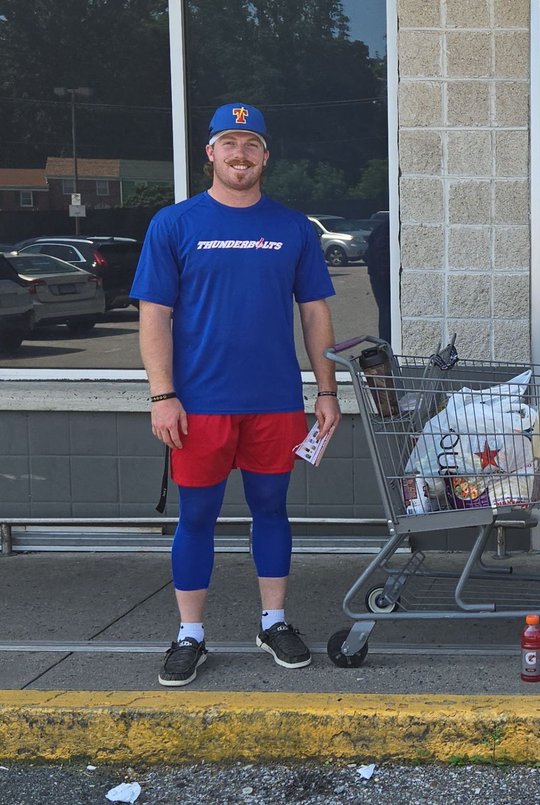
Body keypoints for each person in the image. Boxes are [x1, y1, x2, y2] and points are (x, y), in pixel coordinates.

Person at [131, 102, 341, 687]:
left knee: (272, 511)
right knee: (196, 516)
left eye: (251, 144)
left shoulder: (292, 227)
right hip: (198, 406)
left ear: (265, 155)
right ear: (211, 153)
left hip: (274, 401)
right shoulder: (175, 224)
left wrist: (326, 390)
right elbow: (154, 316)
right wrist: (161, 395)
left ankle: (273, 620)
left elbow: (315, 312)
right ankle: (190, 634)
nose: (240, 154)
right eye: (229, 142)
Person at [365, 216, 397, 341]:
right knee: (387, 313)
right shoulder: (389, 226)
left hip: (379, 274)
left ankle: (386, 345)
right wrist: (388, 278)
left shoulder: (386, 226)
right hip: (382, 277)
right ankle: (386, 347)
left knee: (386, 313)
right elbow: (380, 252)